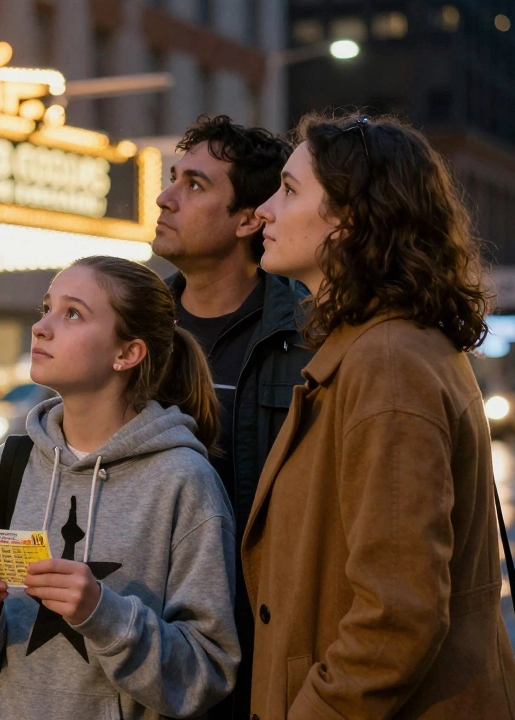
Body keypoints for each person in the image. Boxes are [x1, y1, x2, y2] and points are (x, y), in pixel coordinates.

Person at [242, 112, 515, 718]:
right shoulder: (382, 347)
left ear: (350, 219)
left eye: (289, 190)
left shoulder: (387, 362)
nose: (264, 210)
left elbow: (398, 614)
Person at [0, 256, 239, 719]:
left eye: (72, 313)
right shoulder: (11, 463)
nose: (41, 327)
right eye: (46, 308)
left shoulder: (184, 481)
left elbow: (207, 674)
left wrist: (104, 614)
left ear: (127, 353)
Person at [153, 113, 312, 718]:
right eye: (173, 178)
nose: (166, 197)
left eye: (195, 185)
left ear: (249, 218)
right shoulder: (137, 332)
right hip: (145, 634)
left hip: (261, 646)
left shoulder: (306, 338)